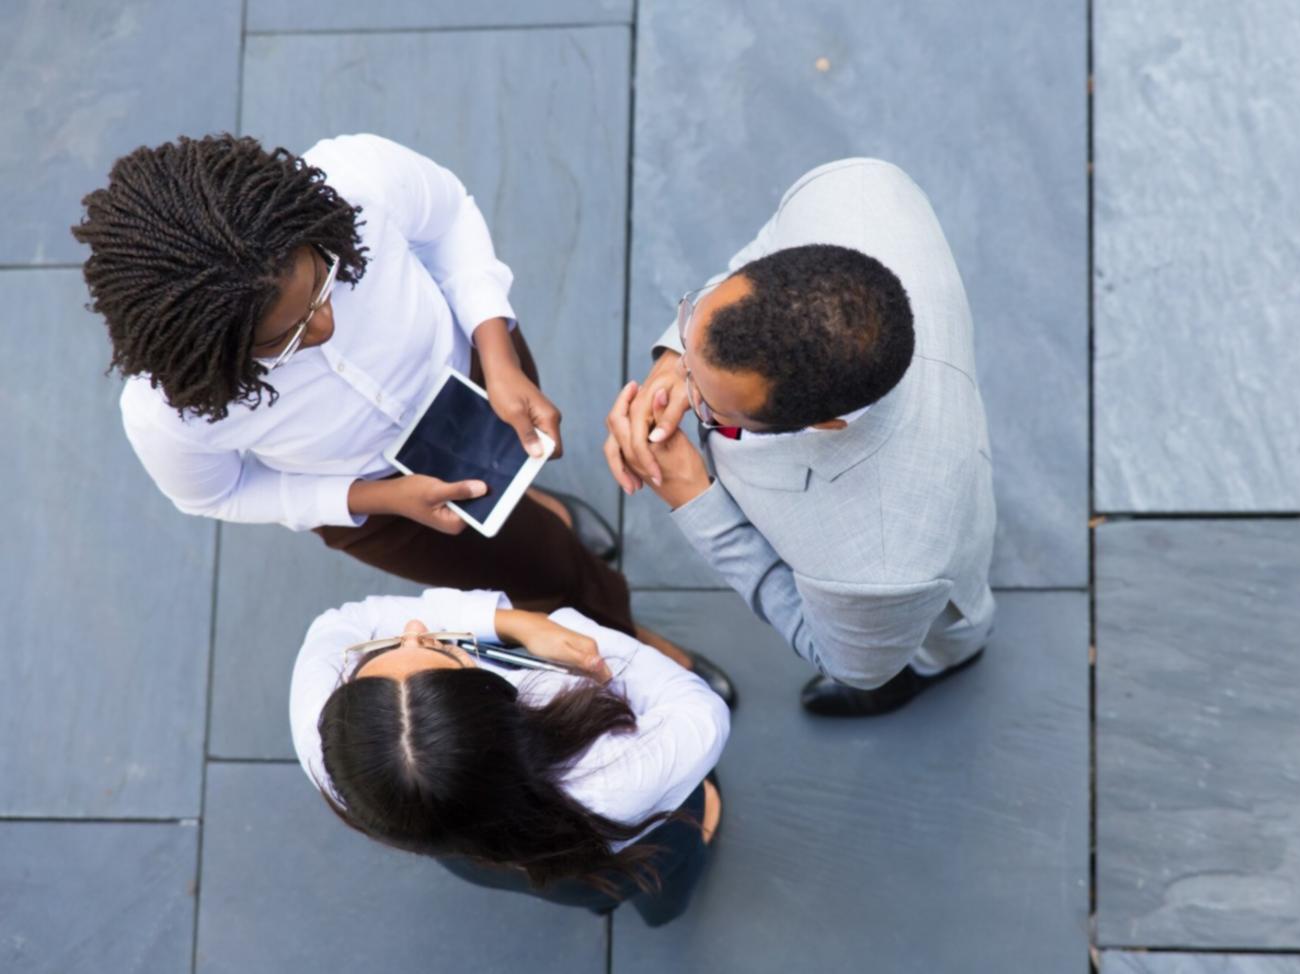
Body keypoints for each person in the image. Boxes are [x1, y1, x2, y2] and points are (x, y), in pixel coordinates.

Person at [72, 132, 732, 701]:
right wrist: (377, 498)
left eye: (324, 286)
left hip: (475, 373)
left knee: (528, 505)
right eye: (284, 339)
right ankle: (621, 639)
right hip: (385, 502)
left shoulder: (355, 181)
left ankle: (547, 515)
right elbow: (218, 493)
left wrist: (497, 353)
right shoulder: (167, 411)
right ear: (212, 350)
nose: (326, 325)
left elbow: (448, 217)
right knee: (544, 575)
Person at [604, 159, 996, 717]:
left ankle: (948, 662)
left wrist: (695, 499)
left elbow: (848, 660)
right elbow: (763, 252)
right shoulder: (855, 190)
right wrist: (679, 359)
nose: (680, 394)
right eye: (692, 325)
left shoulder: (884, 567)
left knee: (944, 635)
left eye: (710, 407)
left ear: (824, 426)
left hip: (936, 541)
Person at [289, 588, 727, 925]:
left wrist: (516, 624)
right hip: (615, 847)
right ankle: (663, 909)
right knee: (660, 867)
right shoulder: (611, 782)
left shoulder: (327, 735)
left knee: (578, 886)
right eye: (442, 650)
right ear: (498, 721)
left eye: (386, 649)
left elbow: (345, 621)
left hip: (464, 848)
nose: (414, 626)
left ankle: (602, 901)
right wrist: (570, 631)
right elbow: (701, 711)